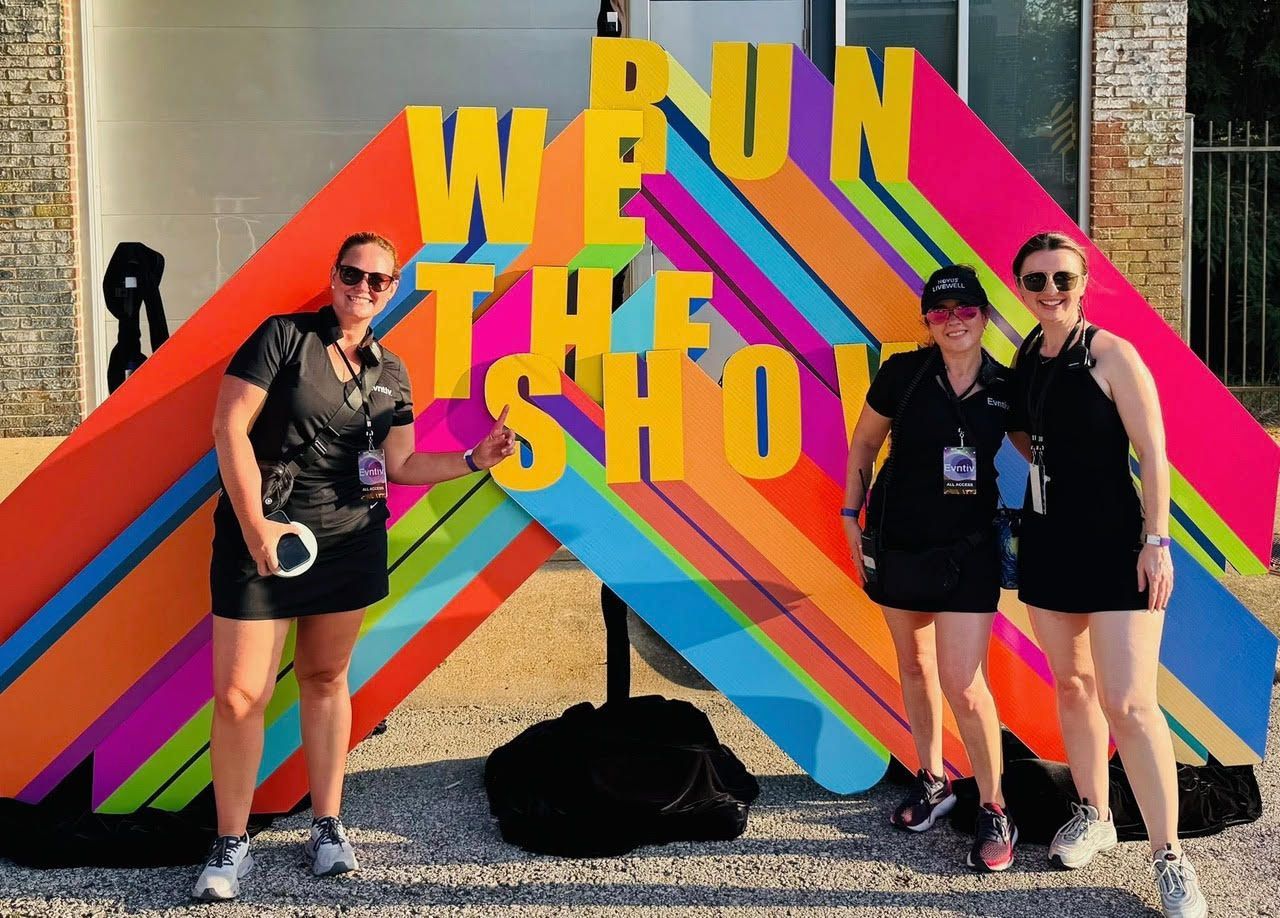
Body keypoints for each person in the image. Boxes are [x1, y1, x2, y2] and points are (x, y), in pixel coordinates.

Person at [193, 231, 516, 901]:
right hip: (266, 537)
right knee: (239, 696)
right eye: (352, 273)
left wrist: (473, 460)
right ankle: (231, 842)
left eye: (378, 280)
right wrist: (255, 528)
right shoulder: (283, 338)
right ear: (333, 275)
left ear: (392, 289)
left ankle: (328, 825)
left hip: (349, 542)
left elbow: (400, 465)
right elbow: (228, 428)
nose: (363, 287)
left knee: (325, 678)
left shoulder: (392, 370)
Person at [1006, 232, 1206, 918]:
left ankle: (1169, 856)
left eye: (1063, 278)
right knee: (1072, 684)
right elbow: (1023, 432)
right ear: (1021, 287)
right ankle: (1094, 813)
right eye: (1036, 280)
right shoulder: (1028, 355)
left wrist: (1157, 541)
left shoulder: (1114, 354)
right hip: (1048, 544)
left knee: (1130, 702)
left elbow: (1154, 452)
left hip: (1119, 547)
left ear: (1084, 282)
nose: (1050, 291)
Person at [843, 264, 1017, 872]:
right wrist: (850, 515)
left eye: (965, 309)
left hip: (970, 549)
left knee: (963, 683)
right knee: (915, 666)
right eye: (940, 312)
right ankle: (934, 780)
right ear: (927, 321)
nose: (953, 320)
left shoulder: (1007, 386)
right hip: (898, 542)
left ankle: (994, 806)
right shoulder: (902, 374)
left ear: (984, 316)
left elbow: (1044, 451)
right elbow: (865, 444)